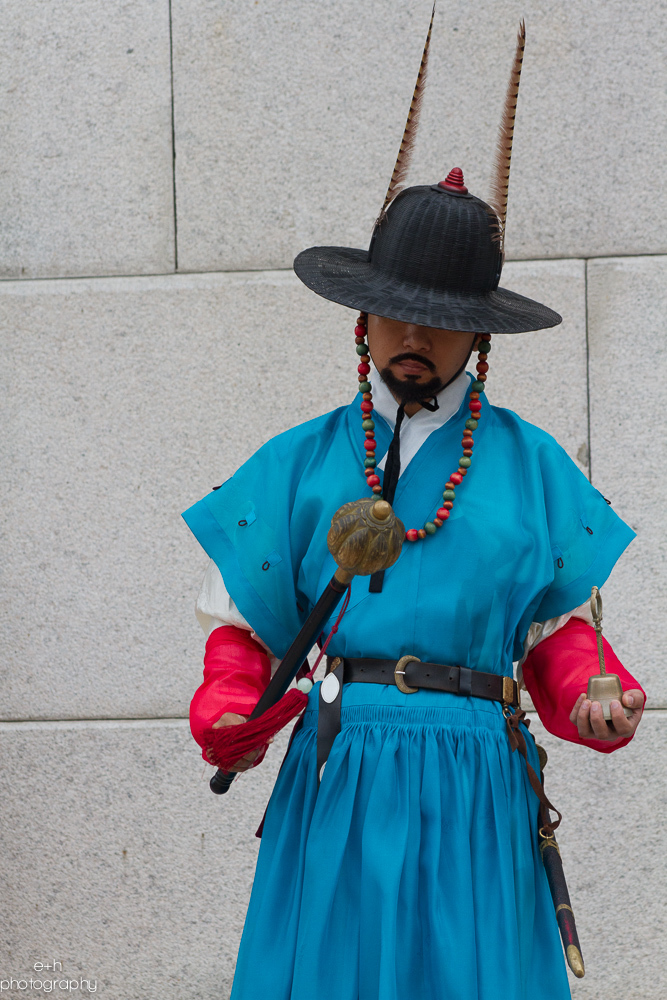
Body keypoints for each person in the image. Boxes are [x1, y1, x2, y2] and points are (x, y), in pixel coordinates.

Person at [182, 15, 645, 1000]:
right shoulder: (301, 464)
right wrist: (230, 704)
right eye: (399, 314)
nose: (416, 340)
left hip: (477, 783)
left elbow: (561, 639)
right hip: (341, 778)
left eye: (444, 324)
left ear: (480, 339)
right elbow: (247, 637)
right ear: (361, 313)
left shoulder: (529, 469)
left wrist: (591, 696)